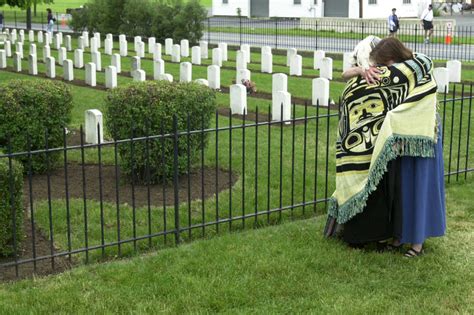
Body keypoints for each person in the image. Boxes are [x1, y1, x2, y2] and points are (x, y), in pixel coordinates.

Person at [326, 38, 446, 258]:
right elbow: (346, 75)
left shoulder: (418, 64)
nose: (383, 68)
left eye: (386, 63)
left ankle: (417, 243)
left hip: (421, 134)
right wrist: (362, 71)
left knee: (418, 188)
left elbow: (393, 78)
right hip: (400, 136)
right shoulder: (394, 69)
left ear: (396, 56)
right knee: (402, 190)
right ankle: (399, 236)